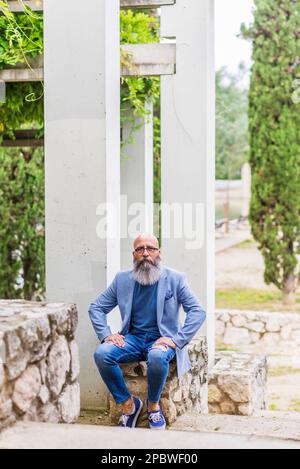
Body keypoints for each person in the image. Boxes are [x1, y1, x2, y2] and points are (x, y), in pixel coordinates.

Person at [88, 234, 206, 430]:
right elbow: (96, 307)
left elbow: (198, 311)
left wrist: (177, 340)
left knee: (158, 356)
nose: (145, 253)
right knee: (102, 354)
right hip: (132, 339)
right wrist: (106, 334)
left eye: (150, 248)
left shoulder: (176, 279)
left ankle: (153, 407)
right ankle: (129, 405)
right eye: (140, 249)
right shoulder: (122, 279)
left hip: (161, 340)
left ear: (159, 253)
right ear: (133, 255)